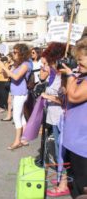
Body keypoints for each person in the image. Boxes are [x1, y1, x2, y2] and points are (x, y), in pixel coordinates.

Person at [37, 43, 69, 197]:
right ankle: (62, 181)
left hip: (61, 118)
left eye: (47, 63)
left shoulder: (64, 76)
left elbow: (65, 100)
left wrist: (47, 96)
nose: (46, 66)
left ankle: (63, 183)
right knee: (58, 149)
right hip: (55, 117)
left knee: (62, 151)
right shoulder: (56, 75)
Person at [60, 37, 87, 198]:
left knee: (83, 188)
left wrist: (70, 74)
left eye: (81, 61)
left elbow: (74, 96)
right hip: (77, 142)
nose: (78, 64)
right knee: (77, 185)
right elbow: (66, 92)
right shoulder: (82, 75)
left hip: (84, 145)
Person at [0, 44, 30, 150]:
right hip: (15, 92)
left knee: (16, 117)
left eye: (15, 52)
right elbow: (6, 76)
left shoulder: (26, 64)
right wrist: (4, 68)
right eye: (13, 52)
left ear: (22, 53)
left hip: (21, 93)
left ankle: (17, 141)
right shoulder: (16, 64)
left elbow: (16, 77)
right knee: (21, 117)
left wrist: (5, 68)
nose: (13, 54)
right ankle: (24, 138)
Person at [1, 53, 14, 121]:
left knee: (13, 102)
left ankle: (15, 118)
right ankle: (9, 116)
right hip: (11, 84)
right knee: (9, 101)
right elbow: (5, 76)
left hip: (14, 84)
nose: (7, 59)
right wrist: (3, 69)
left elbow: (10, 75)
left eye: (8, 57)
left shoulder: (14, 65)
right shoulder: (9, 65)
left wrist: (4, 68)